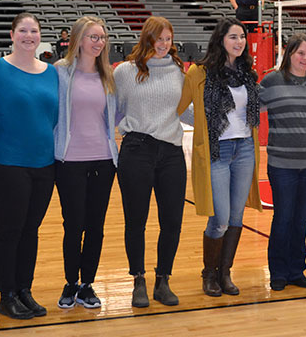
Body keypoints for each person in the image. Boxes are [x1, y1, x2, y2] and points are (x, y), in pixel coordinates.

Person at [0, 12, 58, 319]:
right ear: (12, 35)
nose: (29, 36)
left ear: (40, 36)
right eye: (23, 30)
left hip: (45, 164)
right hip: (8, 163)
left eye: (34, 31)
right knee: (8, 230)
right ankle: (6, 294)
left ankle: (25, 289)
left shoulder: (52, 72)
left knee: (31, 231)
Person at [178, 17, 262, 297]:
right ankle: (209, 273)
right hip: (218, 151)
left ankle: (225, 273)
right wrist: (202, 123)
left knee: (237, 216)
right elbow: (180, 107)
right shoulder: (199, 73)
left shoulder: (248, 73)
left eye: (242, 37)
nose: (239, 42)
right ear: (220, 40)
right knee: (220, 219)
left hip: (245, 149)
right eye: (233, 37)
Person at [114, 16, 186, 307]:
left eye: (168, 39)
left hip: (171, 151)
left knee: (172, 221)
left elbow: (184, 110)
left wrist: (218, 118)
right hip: (136, 149)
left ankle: (163, 280)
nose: (164, 45)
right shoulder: (125, 72)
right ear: (147, 39)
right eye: (159, 39)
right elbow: (114, 111)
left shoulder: (180, 70)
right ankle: (138, 280)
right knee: (136, 221)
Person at [53, 16, 117, 309]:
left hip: (103, 160)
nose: (98, 42)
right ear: (78, 40)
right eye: (93, 37)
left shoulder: (108, 75)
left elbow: (117, 115)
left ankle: (88, 284)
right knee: (73, 224)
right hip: (70, 160)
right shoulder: (60, 73)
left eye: (102, 37)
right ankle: (70, 282)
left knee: (96, 226)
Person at [259, 33, 306, 291]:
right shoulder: (272, 80)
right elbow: (251, 108)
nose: (305, 59)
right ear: (289, 54)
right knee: (283, 217)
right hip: (282, 163)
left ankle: (297, 270)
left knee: (302, 219)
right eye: (301, 53)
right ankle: (278, 272)